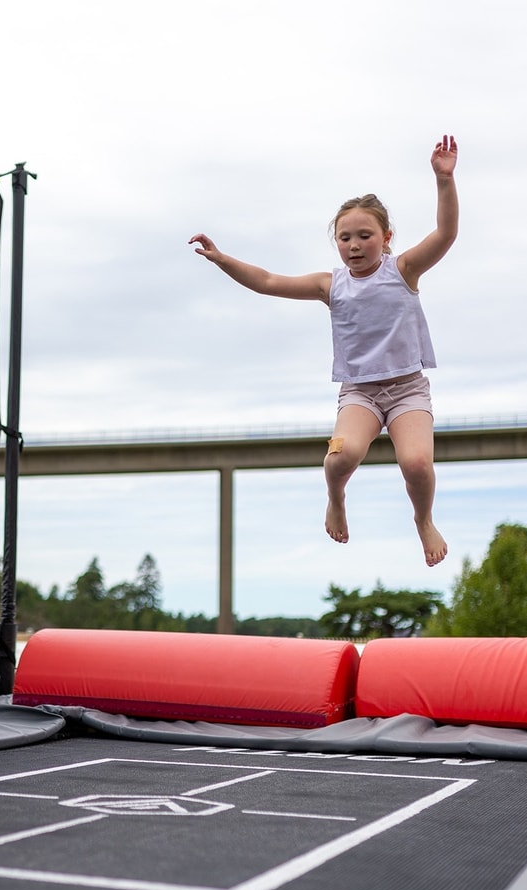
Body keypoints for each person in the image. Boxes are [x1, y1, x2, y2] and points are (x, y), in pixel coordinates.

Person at [189, 135, 458, 567]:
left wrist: (444, 180)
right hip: (360, 394)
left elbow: (446, 233)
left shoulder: (404, 270)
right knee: (339, 457)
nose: (354, 245)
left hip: (408, 389)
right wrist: (224, 260)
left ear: (386, 237)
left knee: (418, 465)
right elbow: (268, 282)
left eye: (364, 236)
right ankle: (336, 499)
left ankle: (423, 520)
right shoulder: (331, 285)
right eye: (344, 237)